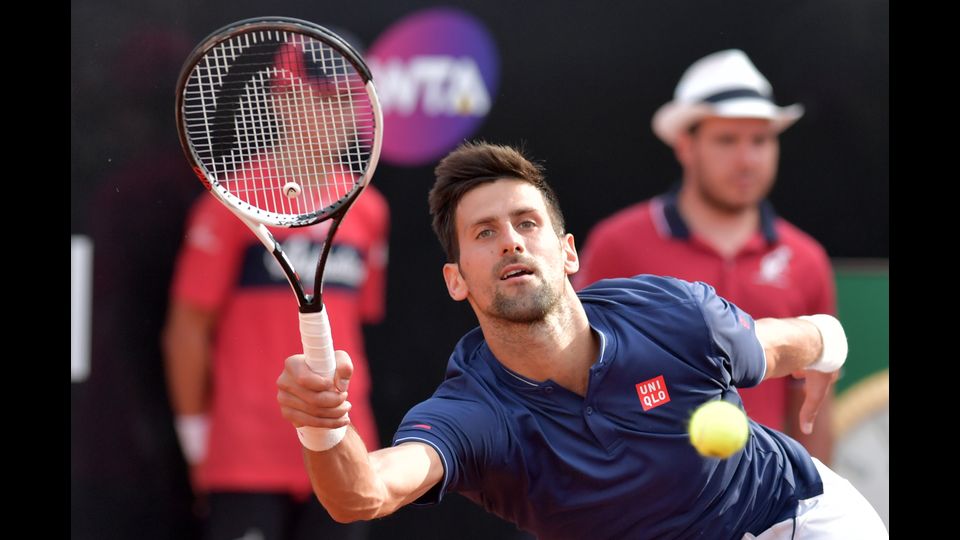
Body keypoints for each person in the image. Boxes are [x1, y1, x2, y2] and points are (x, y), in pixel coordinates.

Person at [275, 141, 887, 539]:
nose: (511, 242)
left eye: (526, 223)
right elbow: (363, 494)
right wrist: (323, 428)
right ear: (455, 280)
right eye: (484, 233)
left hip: (794, 519)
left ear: (567, 252)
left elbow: (781, 343)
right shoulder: (474, 414)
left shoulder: (671, 314)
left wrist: (829, 344)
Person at [163, 39, 390, 540]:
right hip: (245, 457)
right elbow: (187, 331)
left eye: (349, 99)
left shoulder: (368, 208)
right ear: (282, 99)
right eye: (325, 98)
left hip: (346, 447)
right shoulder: (230, 203)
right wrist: (198, 442)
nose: (345, 114)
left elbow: (359, 325)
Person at [574, 49, 837, 462]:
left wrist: (817, 495)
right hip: (642, 503)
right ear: (685, 145)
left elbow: (811, 406)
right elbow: (578, 379)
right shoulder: (617, 244)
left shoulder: (807, 259)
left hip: (767, 510)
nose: (747, 159)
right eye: (727, 140)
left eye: (761, 140)